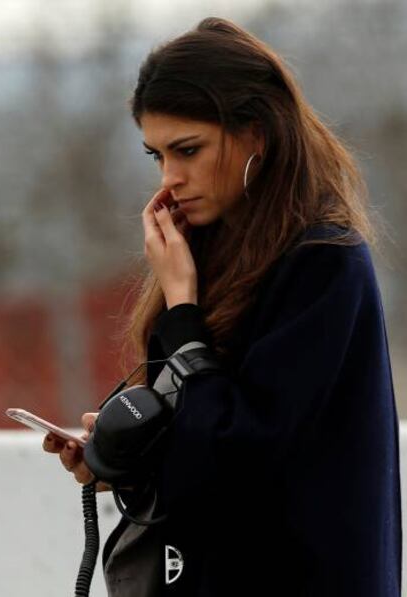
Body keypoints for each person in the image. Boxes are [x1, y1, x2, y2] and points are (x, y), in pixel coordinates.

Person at [42, 16, 402, 597]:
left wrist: (183, 309)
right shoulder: (206, 253)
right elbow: (199, 447)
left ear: (257, 134)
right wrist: (119, 458)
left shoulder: (324, 262)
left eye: (188, 150)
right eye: (156, 155)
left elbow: (242, 451)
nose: (170, 178)